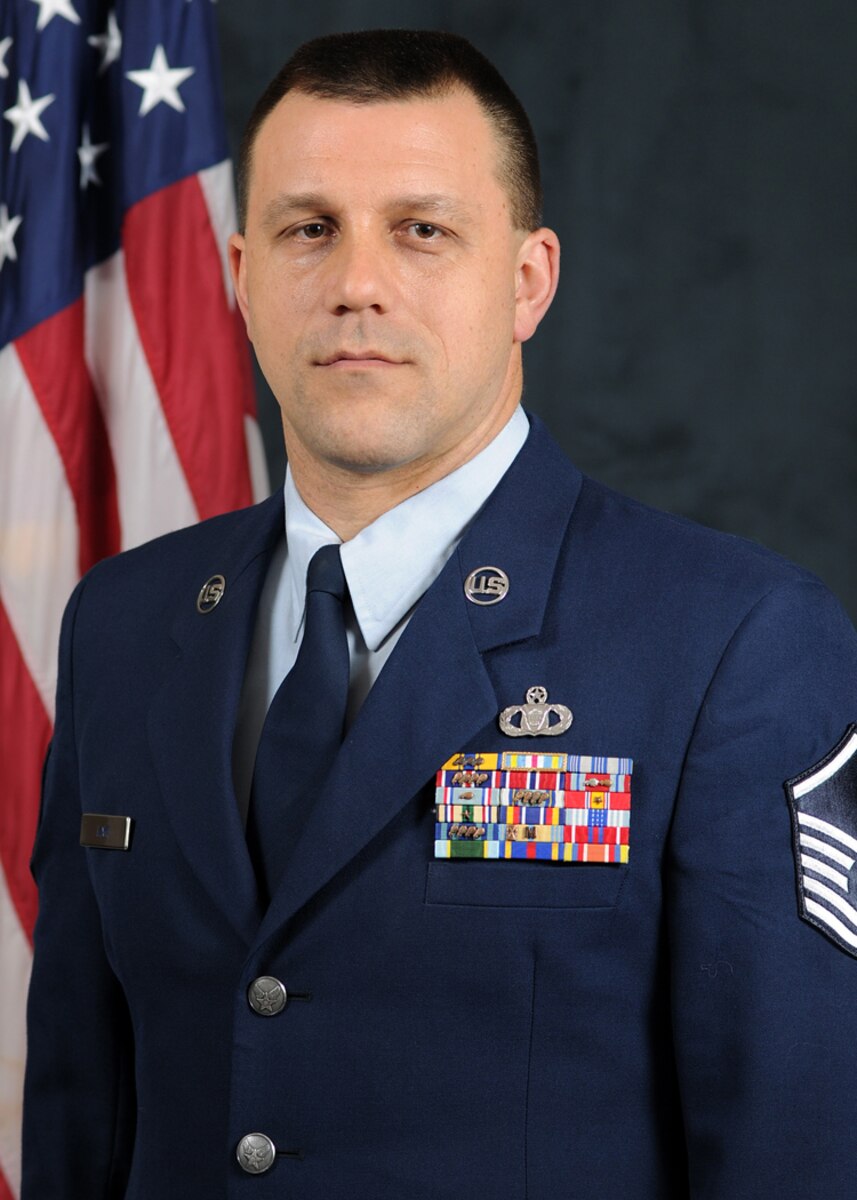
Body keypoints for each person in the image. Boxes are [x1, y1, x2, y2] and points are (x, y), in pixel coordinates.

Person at [22, 28, 857, 1200]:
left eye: (420, 230)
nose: (356, 283)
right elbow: (79, 1117)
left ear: (526, 281)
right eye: (309, 229)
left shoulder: (732, 641)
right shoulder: (122, 624)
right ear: (239, 275)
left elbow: (794, 1144)